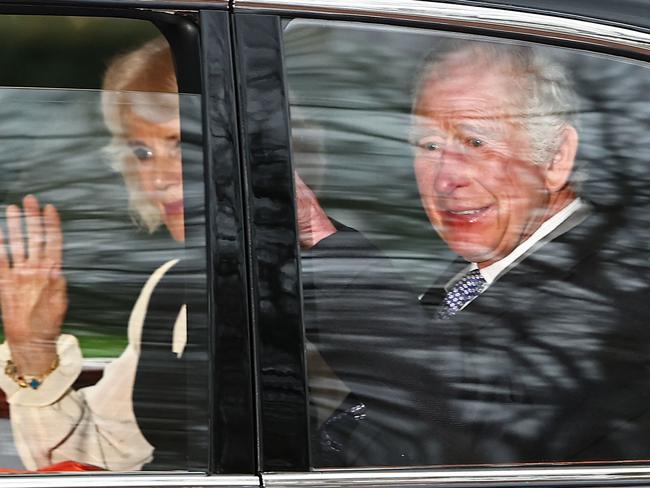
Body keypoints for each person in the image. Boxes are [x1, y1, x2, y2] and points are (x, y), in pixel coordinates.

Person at [302, 40, 650, 465]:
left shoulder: (618, 287)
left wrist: (322, 240)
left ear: (557, 157)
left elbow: (461, 415)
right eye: (429, 146)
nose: (447, 177)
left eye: (476, 141)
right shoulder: (475, 273)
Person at [0, 37, 199, 471]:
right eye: (142, 152)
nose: (159, 179)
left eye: (180, 143)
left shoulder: (314, 285)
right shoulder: (171, 286)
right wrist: (33, 350)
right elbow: (106, 452)